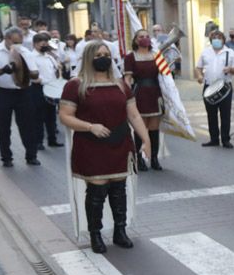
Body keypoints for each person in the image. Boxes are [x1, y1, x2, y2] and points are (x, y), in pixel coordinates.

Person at [58, 42, 151, 253]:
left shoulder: (120, 85)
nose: (103, 58)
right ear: (89, 58)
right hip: (91, 145)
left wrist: (146, 140)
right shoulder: (76, 85)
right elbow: (65, 116)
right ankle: (96, 235)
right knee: (97, 192)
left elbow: (134, 115)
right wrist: (90, 127)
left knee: (119, 190)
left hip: (120, 142)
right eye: (98, 54)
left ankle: (120, 231)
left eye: (106, 54)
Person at [0, 27, 40, 167]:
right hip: (2, 93)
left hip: (23, 92)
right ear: (7, 39)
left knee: (28, 125)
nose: (17, 45)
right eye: (15, 42)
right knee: (3, 126)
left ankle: (31, 155)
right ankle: (6, 157)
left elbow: (35, 74)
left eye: (19, 42)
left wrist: (24, 68)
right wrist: (4, 70)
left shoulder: (25, 52)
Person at [124, 29, 164, 171]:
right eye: (141, 37)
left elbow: (165, 76)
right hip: (139, 93)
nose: (145, 39)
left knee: (154, 128)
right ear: (136, 40)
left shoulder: (156, 55)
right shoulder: (130, 57)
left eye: (147, 36)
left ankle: (154, 159)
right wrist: (127, 94)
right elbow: (127, 79)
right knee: (140, 128)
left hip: (155, 93)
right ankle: (139, 159)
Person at [196, 29, 234, 148]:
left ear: (223, 40)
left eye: (219, 37)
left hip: (225, 86)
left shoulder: (230, 52)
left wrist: (230, 69)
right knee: (211, 114)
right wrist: (199, 76)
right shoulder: (205, 52)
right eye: (214, 37)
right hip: (209, 86)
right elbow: (198, 67)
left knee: (225, 114)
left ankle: (225, 139)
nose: (217, 40)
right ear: (211, 40)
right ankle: (214, 139)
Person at [26, 32, 64, 151]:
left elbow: (55, 70)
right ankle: (38, 141)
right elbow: (31, 75)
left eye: (46, 43)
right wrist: (42, 80)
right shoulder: (31, 57)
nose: (44, 45)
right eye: (41, 43)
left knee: (51, 115)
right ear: (35, 44)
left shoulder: (49, 56)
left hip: (51, 87)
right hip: (38, 88)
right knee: (38, 116)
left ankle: (52, 139)